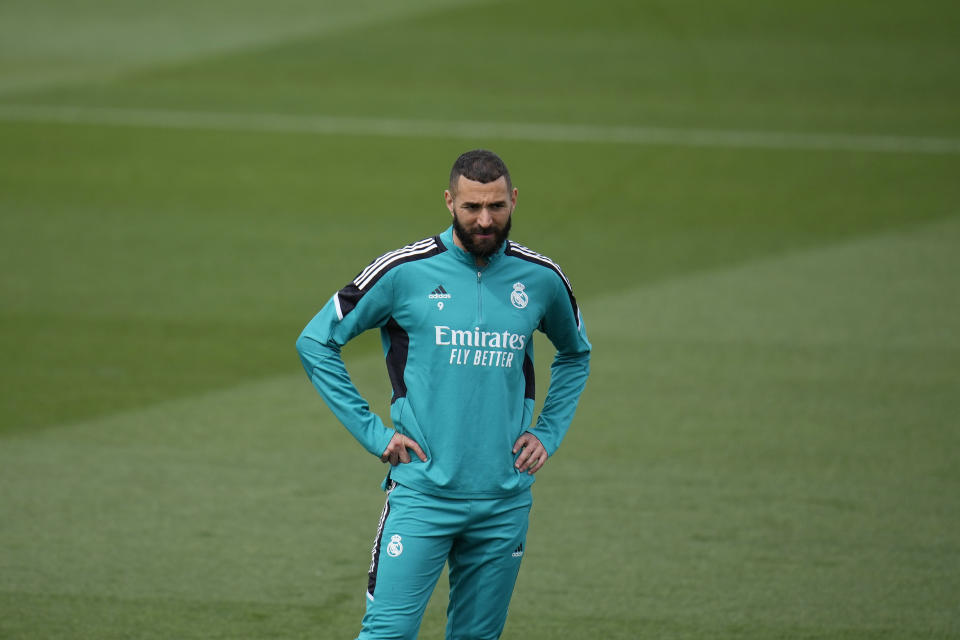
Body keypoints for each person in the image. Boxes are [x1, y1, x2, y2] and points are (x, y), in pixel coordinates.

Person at [296, 149, 591, 640]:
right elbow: (316, 340)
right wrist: (373, 434)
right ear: (449, 202)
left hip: (504, 501)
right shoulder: (403, 271)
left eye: (496, 206)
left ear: (514, 200)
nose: (484, 220)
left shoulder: (541, 279)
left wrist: (548, 432)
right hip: (422, 496)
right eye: (472, 207)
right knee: (387, 634)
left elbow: (575, 353)